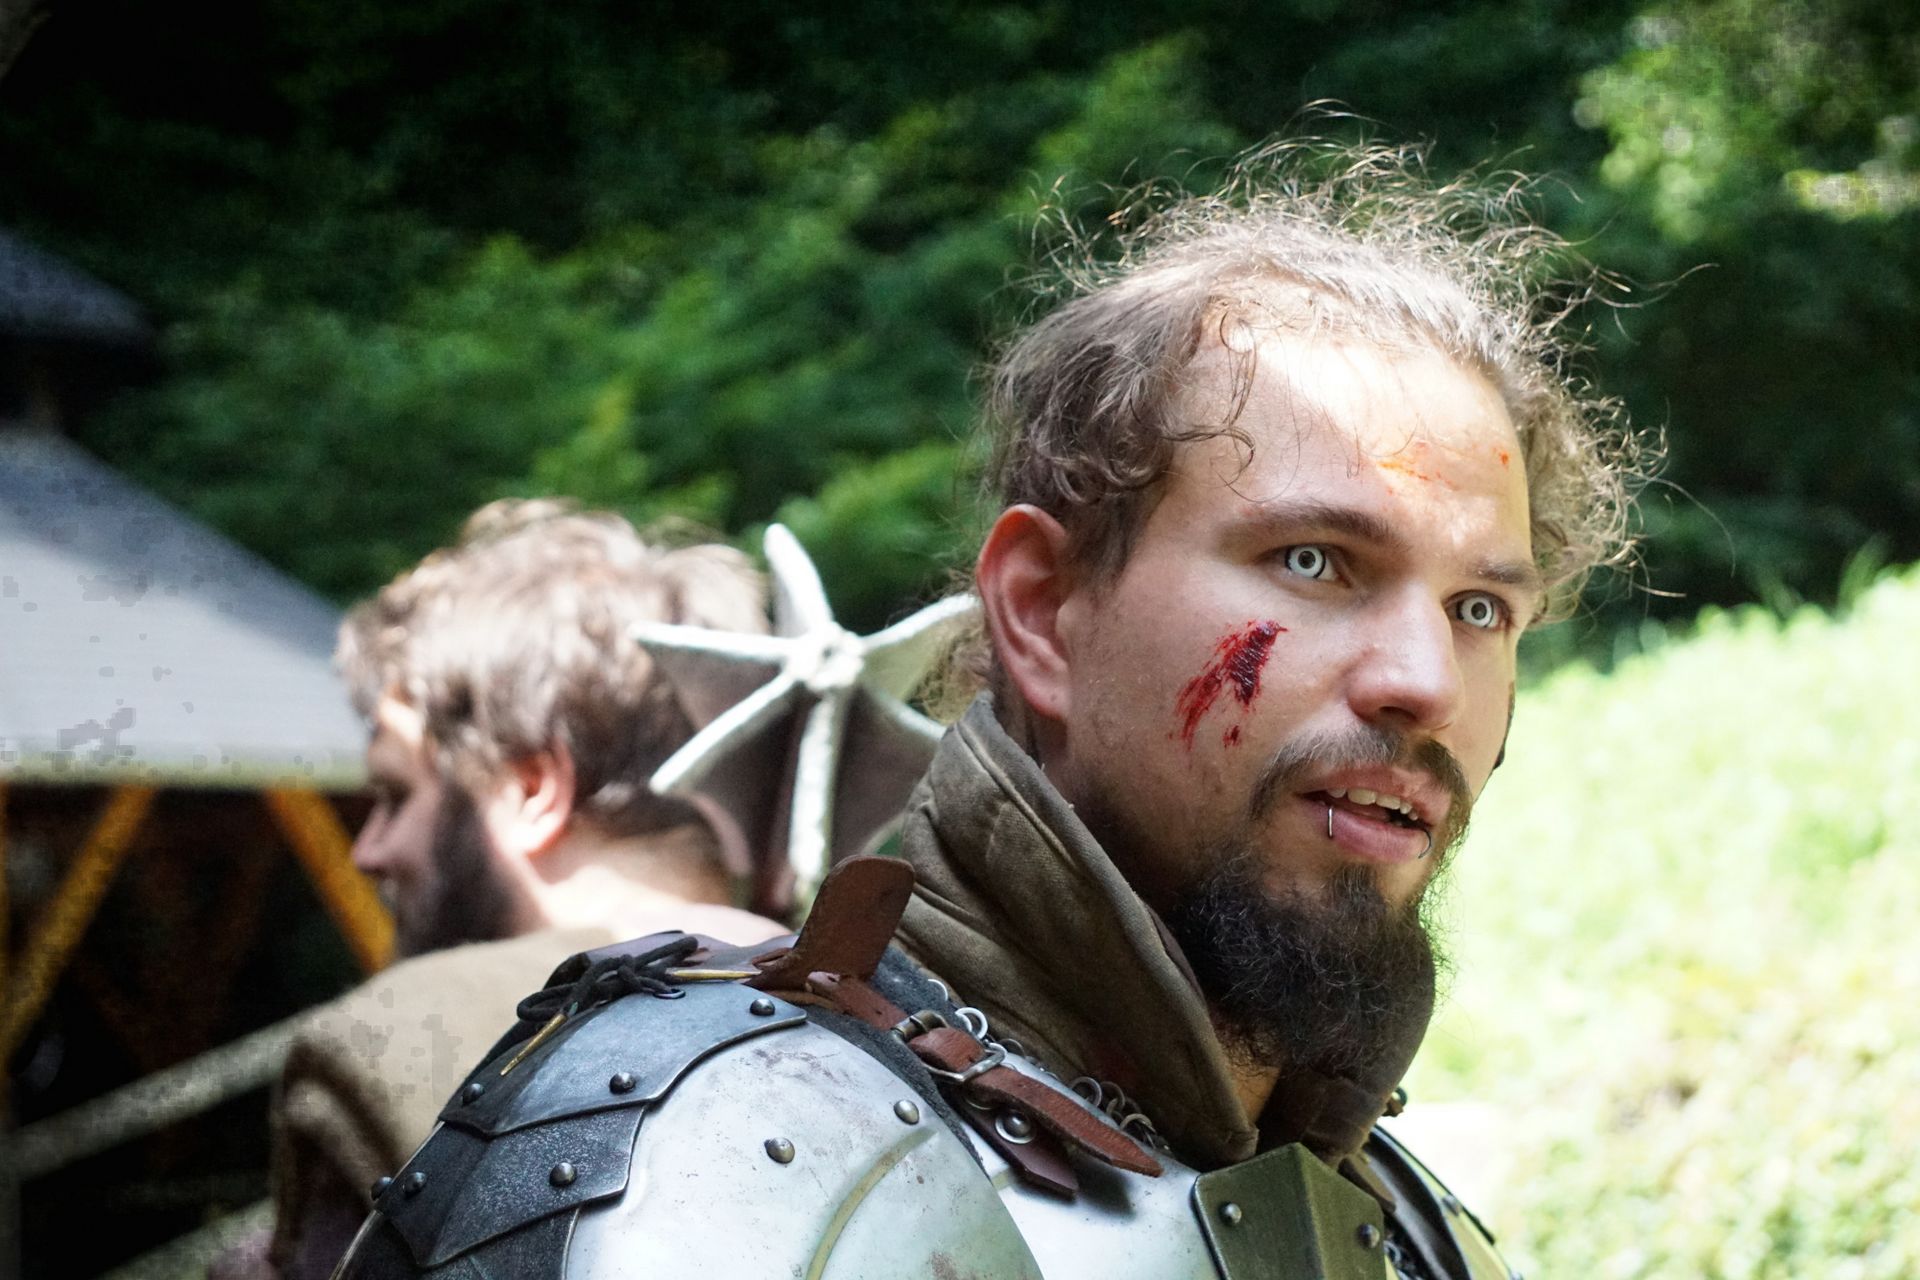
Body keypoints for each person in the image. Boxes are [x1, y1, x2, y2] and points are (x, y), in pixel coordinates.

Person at [327, 143, 1643, 1279]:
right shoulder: (708, 1153)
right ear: (1042, 610)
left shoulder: (1414, 1232)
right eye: (1315, 560)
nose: (1424, 680)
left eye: (1481, 607)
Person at [214, 500, 788, 1280]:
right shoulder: (890, 1000)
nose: (369, 850)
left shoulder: (394, 1043)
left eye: (397, 795)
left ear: (531, 790)